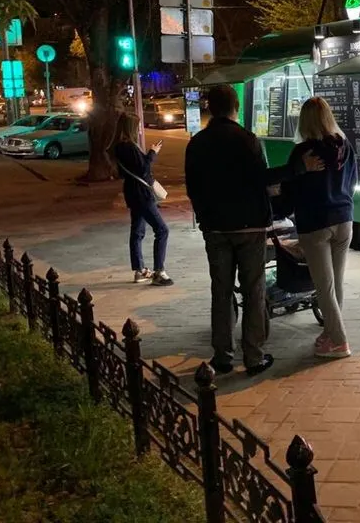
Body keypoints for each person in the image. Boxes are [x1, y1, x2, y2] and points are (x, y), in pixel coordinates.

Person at [185, 84, 321, 376]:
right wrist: (299, 168)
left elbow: (192, 188)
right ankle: (254, 356)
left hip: (215, 229)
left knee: (221, 291)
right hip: (250, 226)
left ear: (210, 108)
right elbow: (262, 178)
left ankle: (222, 356)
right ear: (235, 107)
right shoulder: (248, 140)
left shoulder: (196, 143)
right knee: (253, 290)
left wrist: (206, 217)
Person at [282, 97, 358, 359]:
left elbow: (291, 191)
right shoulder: (345, 146)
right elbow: (353, 181)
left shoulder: (303, 152)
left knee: (324, 286)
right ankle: (329, 332)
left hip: (315, 224)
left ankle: (339, 341)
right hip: (344, 219)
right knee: (336, 281)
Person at [112, 112, 172, 286]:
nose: (139, 128)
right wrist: (153, 153)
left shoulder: (118, 147)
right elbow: (143, 169)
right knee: (162, 230)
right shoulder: (129, 146)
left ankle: (139, 270)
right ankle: (159, 271)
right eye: (137, 125)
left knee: (137, 231)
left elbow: (127, 170)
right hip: (141, 194)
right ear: (131, 127)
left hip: (132, 192)